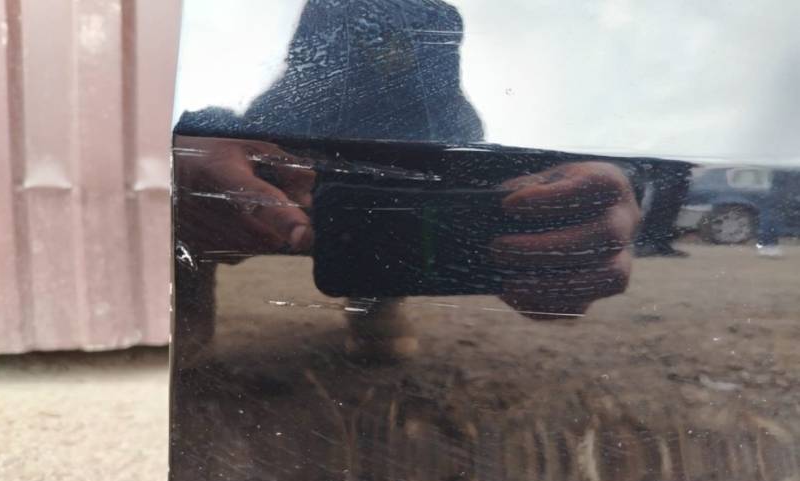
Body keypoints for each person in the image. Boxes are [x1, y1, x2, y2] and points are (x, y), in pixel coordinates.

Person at [174, 0, 642, 359]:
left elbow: (496, 169)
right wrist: (191, 153)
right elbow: (242, 127)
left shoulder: (443, 99)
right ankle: (189, 309)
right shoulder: (303, 92)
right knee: (205, 185)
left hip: (392, 170)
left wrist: (571, 197)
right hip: (304, 173)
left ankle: (375, 296)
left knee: (404, 208)